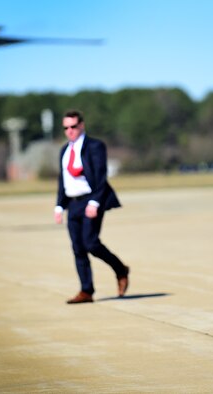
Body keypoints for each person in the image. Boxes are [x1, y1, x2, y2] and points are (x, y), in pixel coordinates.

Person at [54, 109, 130, 303]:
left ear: (81, 126)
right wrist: (59, 207)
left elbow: (101, 176)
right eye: (66, 128)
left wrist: (95, 202)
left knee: (91, 244)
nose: (69, 131)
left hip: (91, 200)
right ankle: (86, 291)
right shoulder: (64, 150)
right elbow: (63, 181)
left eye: (73, 126)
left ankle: (120, 269)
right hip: (73, 203)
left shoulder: (95, 146)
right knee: (78, 248)